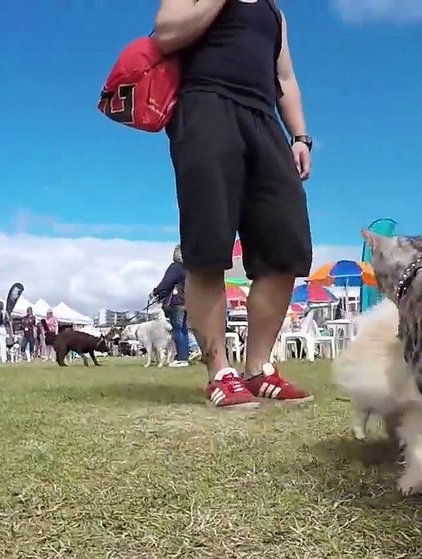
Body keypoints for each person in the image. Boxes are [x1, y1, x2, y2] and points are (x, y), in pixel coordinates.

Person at [154, 0, 314, 408]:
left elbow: (286, 77)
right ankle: (220, 372)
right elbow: (167, 32)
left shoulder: (275, 13)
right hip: (205, 104)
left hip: (264, 119)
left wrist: (299, 137)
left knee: (286, 246)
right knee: (208, 245)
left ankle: (258, 368)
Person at [151, 244, 191, 368]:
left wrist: (156, 292)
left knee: (177, 329)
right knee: (184, 330)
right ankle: (184, 356)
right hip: (187, 302)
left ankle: (181, 358)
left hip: (176, 301)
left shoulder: (175, 267)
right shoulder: (189, 269)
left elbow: (166, 283)